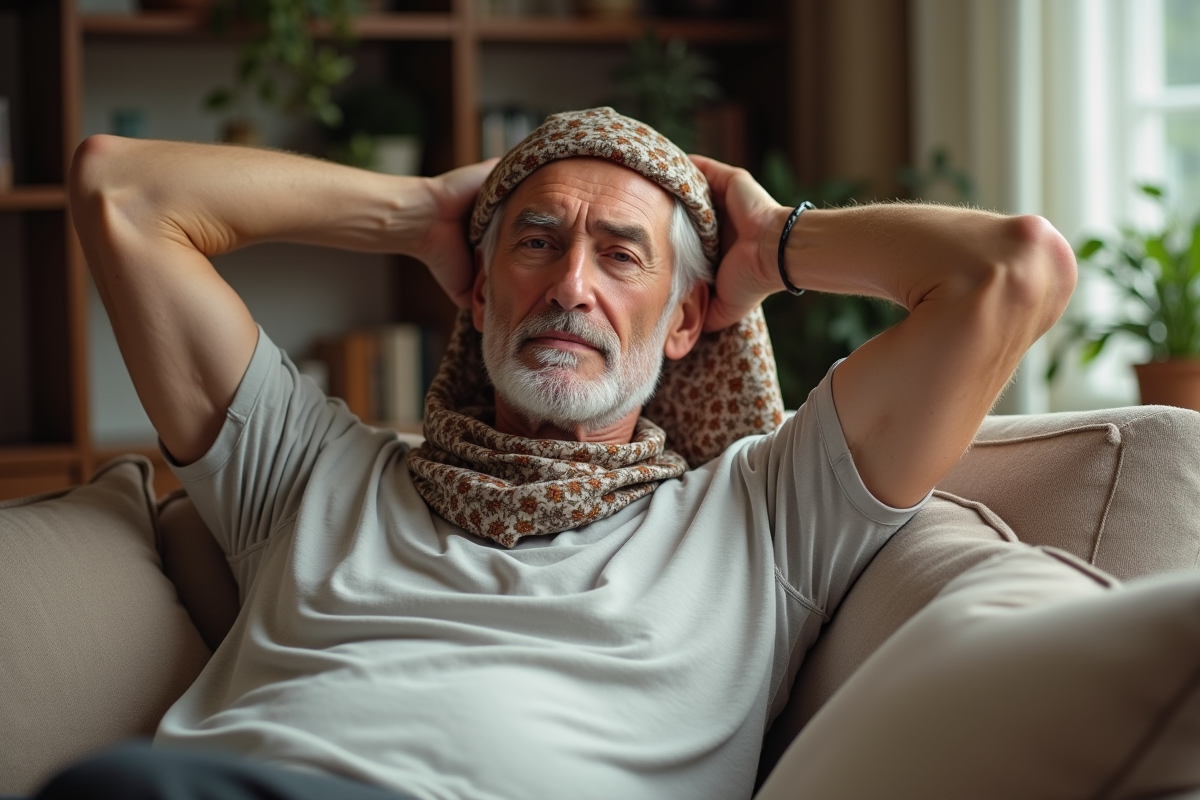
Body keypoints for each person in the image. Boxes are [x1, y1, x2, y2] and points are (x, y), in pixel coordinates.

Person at [47, 107, 1075, 800]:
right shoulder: (314, 470)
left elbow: (1015, 271)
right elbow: (122, 191)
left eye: (622, 255)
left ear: (687, 323)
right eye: (535, 242)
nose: (570, 285)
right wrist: (417, 213)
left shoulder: (761, 515)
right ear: (479, 294)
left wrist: (766, 245)